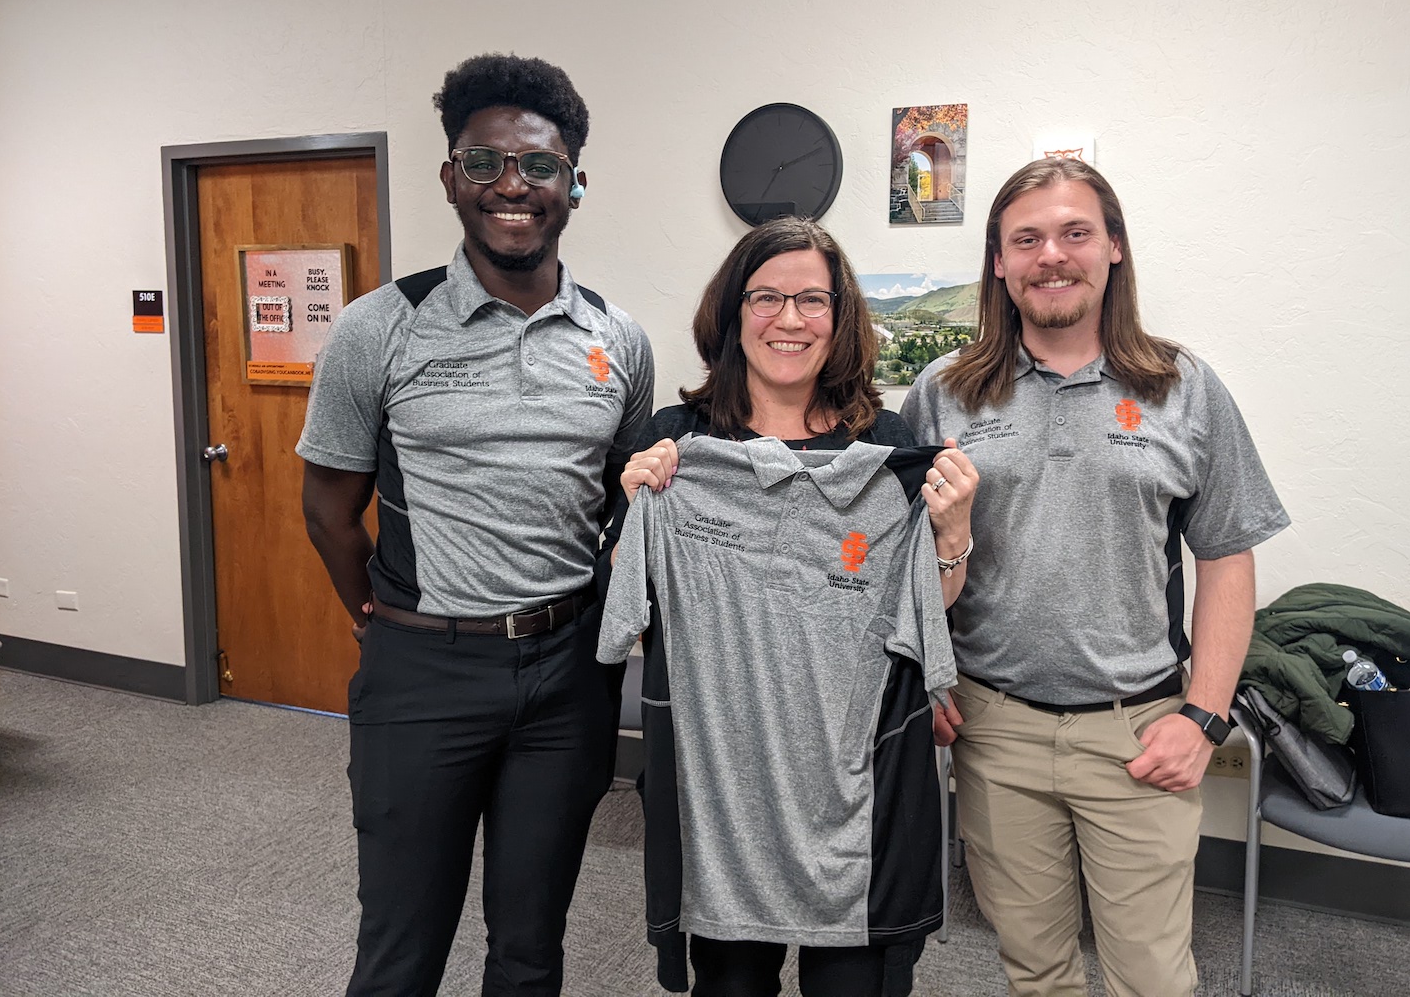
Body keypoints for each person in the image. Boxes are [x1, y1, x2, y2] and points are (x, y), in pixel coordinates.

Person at [296, 54, 654, 997]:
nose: (513, 187)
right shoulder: (383, 327)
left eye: (539, 167)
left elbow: (622, 490)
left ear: (573, 183)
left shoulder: (617, 338)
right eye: (485, 163)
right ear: (451, 177)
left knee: (532, 946)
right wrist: (380, 610)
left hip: (569, 676)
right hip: (423, 675)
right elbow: (329, 509)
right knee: (401, 948)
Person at [902, 158, 1290, 997]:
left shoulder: (1181, 387)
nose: (1052, 255)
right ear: (999, 263)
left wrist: (1205, 717)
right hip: (993, 729)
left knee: (1151, 977)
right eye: (1027, 239)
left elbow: (1226, 555)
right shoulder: (943, 396)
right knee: (1035, 970)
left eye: (1075, 232)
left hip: (1139, 731)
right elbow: (909, 571)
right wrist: (927, 681)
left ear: (1113, 247)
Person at [600, 217, 977, 997]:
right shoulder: (676, 443)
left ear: (839, 320)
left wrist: (953, 533)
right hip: (722, 794)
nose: (791, 319)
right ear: (733, 313)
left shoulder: (890, 450)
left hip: (854, 782)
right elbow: (625, 604)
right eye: (766, 296)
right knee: (730, 986)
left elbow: (926, 618)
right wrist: (638, 509)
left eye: (813, 299)